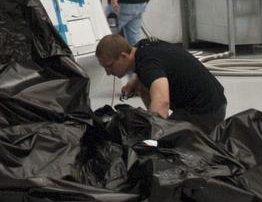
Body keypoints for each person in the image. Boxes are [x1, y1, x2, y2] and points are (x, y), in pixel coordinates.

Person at [96, 34, 228, 133]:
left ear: (124, 56)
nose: (108, 72)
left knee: (167, 147)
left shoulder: (147, 64)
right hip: (210, 101)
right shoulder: (142, 47)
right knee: (142, 87)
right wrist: (135, 81)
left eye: (109, 66)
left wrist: (153, 139)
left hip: (205, 112)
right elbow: (156, 66)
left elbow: (162, 102)